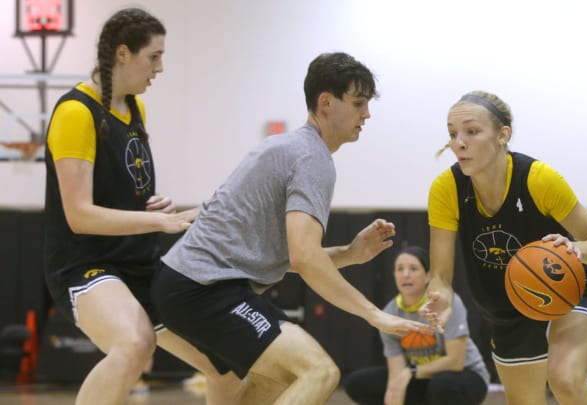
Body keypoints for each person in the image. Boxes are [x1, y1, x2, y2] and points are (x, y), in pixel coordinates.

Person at [151, 51, 434, 405]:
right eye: (359, 103)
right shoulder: (311, 157)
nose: (367, 114)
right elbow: (303, 258)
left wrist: (349, 254)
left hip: (188, 287)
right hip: (204, 289)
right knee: (319, 372)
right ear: (326, 103)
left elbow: (285, 256)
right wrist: (373, 314)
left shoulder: (293, 148)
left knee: (280, 382)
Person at [44, 8, 246, 404]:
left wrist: (150, 208)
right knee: (135, 343)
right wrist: (158, 224)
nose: (161, 67)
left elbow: (119, 192)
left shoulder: (134, 109)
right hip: (84, 264)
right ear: (123, 53)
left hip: (139, 260)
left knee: (226, 361)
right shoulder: (74, 113)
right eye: (154, 56)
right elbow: (79, 215)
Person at [419, 90, 587, 405]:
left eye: (472, 131)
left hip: (568, 292)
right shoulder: (446, 189)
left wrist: (574, 248)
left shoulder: (538, 179)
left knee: (565, 381)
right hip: (506, 306)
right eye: (453, 133)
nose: (459, 142)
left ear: (502, 135)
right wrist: (441, 297)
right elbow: (440, 276)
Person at [343, 246, 490, 405]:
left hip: (466, 375)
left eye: (413, 269)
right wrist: (395, 391)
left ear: (427, 276)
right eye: (400, 269)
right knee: (357, 383)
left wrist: (412, 372)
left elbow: (455, 361)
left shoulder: (444, 304)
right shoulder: (389, 313)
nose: (405, 275)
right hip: (420, 378)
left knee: (442, 385)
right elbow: (396, 373)